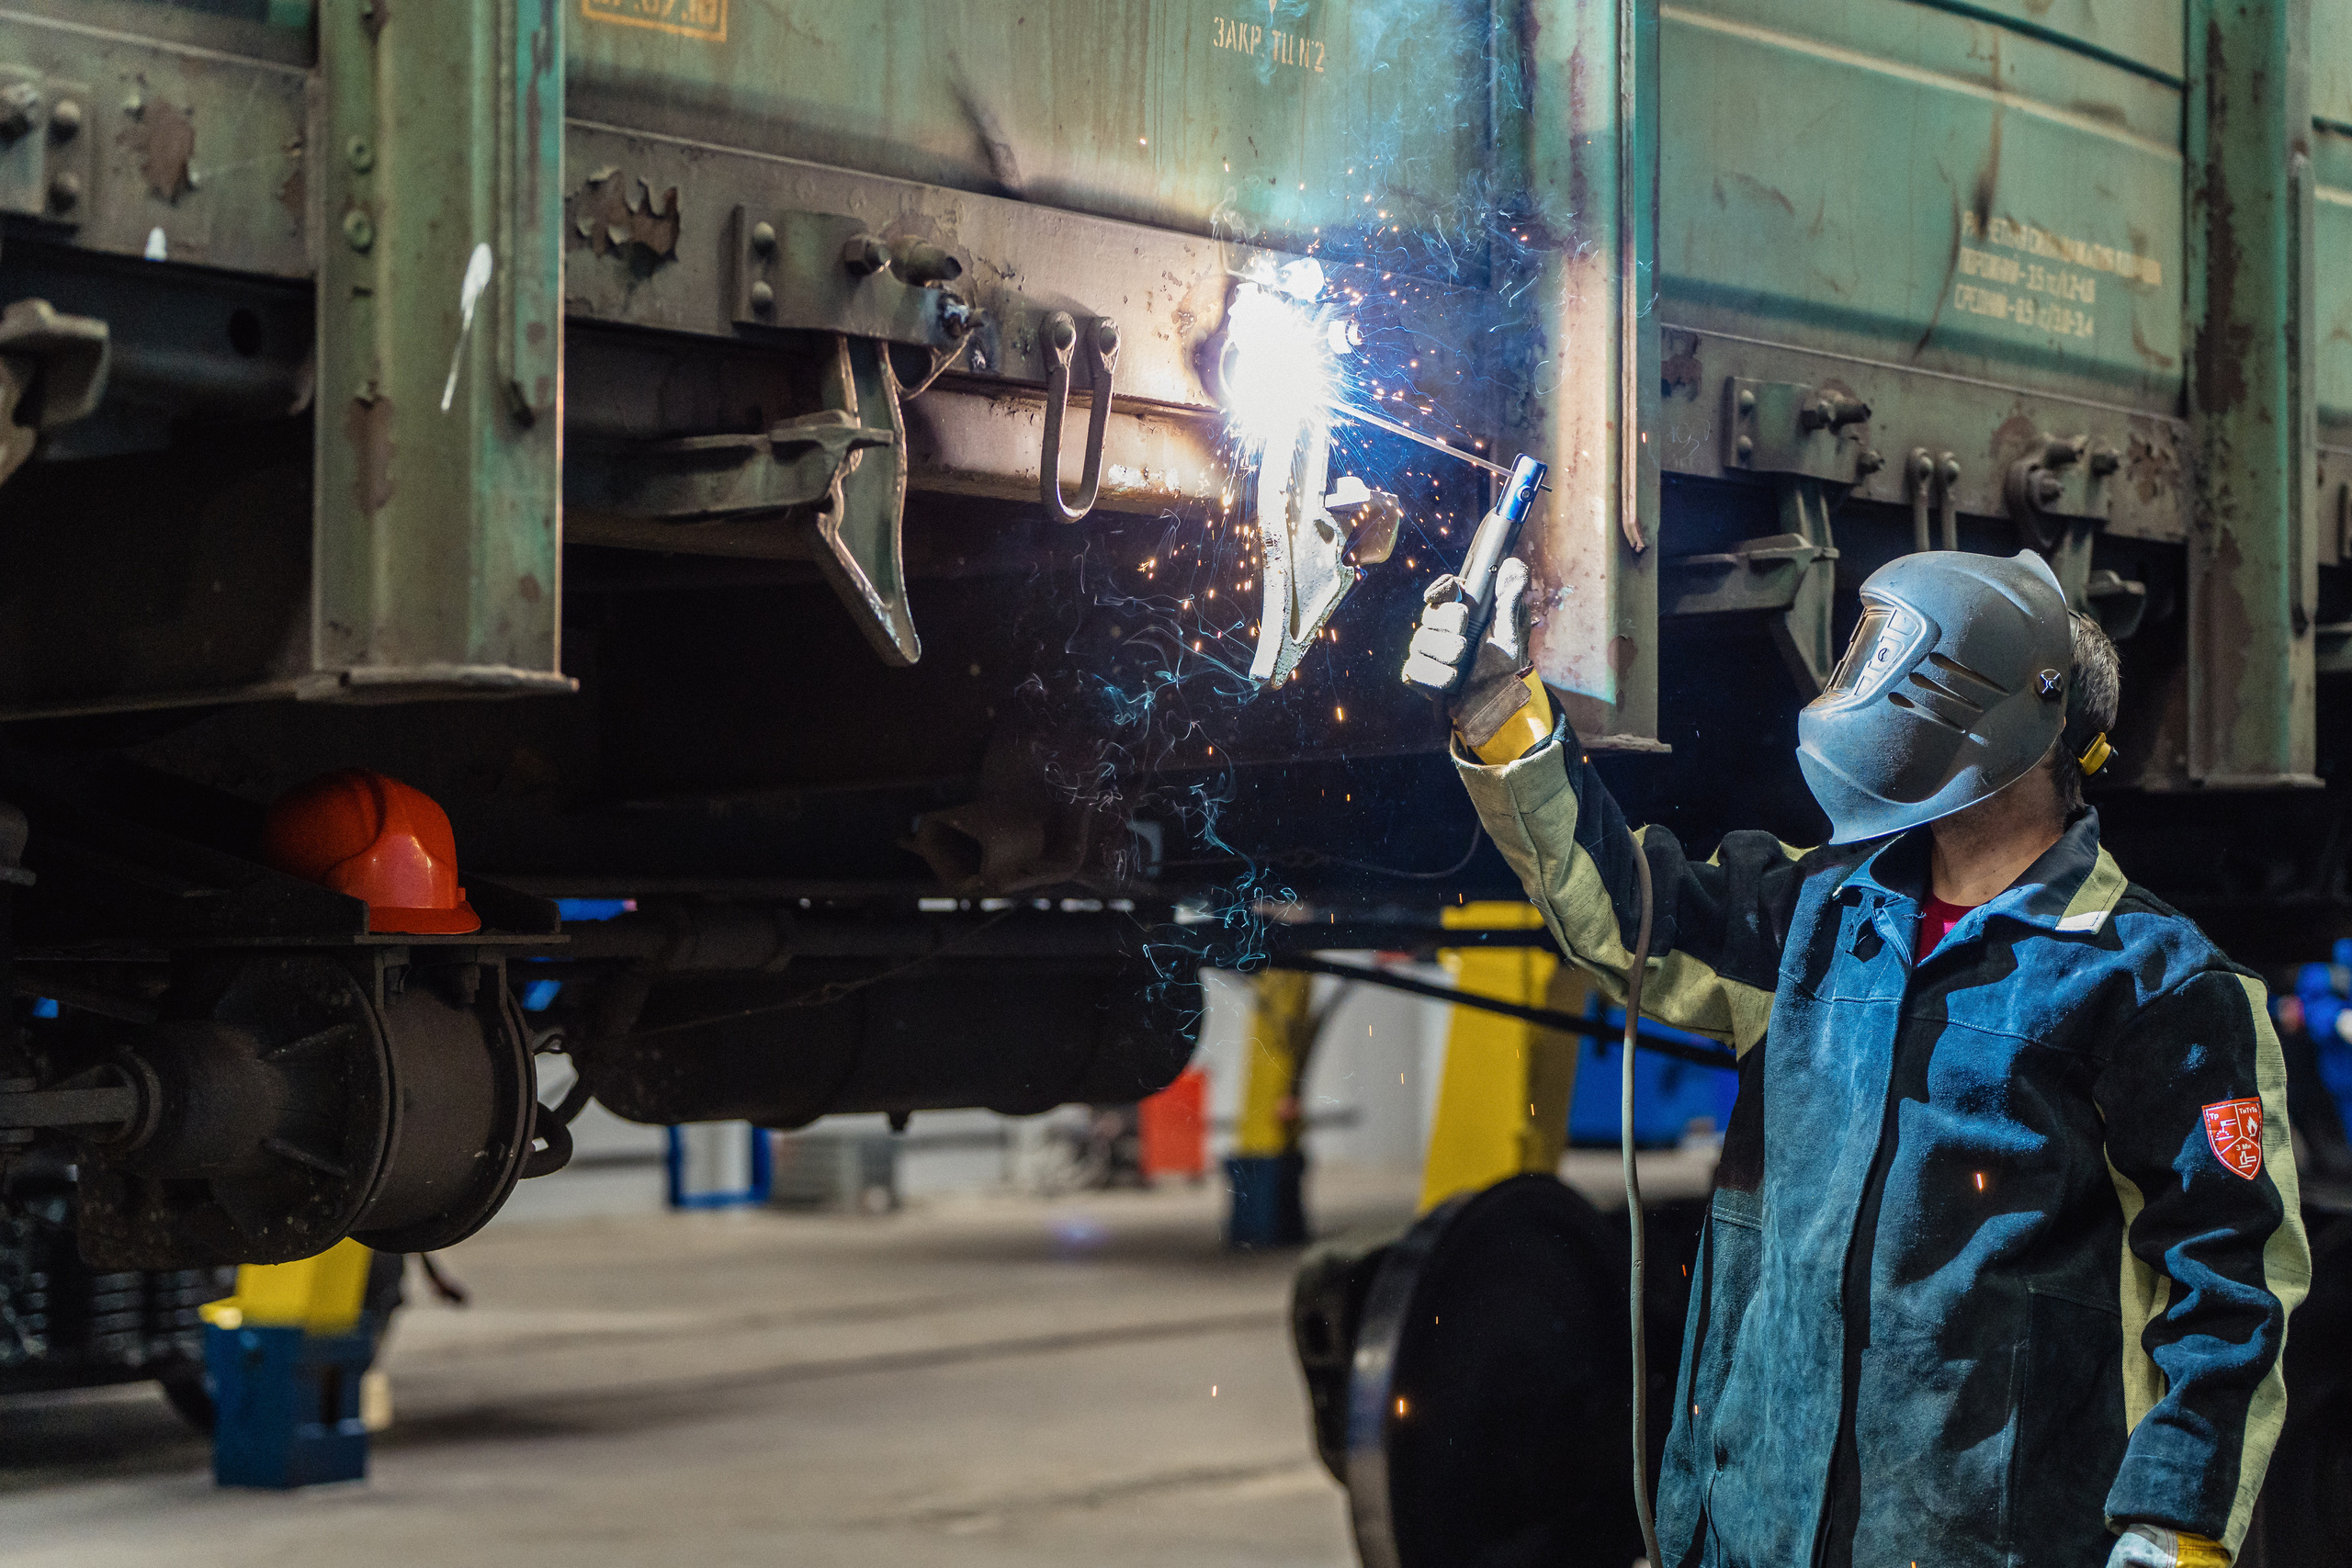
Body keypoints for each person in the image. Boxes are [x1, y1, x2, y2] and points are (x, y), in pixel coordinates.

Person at [1403, 548, 2308, 1568]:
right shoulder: (1819, 915)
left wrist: (2173, 1533)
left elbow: (2230, 1283)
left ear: (2027, 714)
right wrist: (1503, 715)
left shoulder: (2155, 986)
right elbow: (1626, 911)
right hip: (1747, 1538)